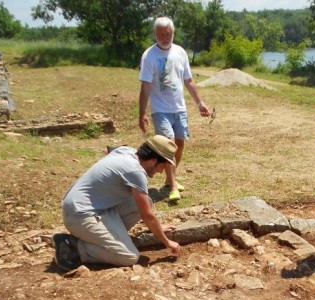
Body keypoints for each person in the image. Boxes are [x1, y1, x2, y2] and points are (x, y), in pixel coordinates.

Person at [53, 135, 181, 270]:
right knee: (129, 257)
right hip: (79, 215)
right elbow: (147, 215)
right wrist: (166, 241)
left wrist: (157, 228)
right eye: (163, 166)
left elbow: (144, 208)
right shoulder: (135, 171)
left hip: (92, 207)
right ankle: (74, 247)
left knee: (146, 201)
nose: (161, 171)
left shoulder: (127, 152)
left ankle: (105, 239)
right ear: (154, 159)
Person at [138, 16, 211, 203]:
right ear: (155, 34)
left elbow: (188, 81)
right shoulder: (149, 56)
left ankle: (171, 179)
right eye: (161, 34)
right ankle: (173, 185)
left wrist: (200, 103)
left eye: (168, 33)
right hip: (160, 109)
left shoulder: (180, 52)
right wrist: (142, 113)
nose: (165, 37)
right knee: (168, 145)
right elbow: (145, 86)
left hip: (179, 109)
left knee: (179, 145)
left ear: (173, 33)